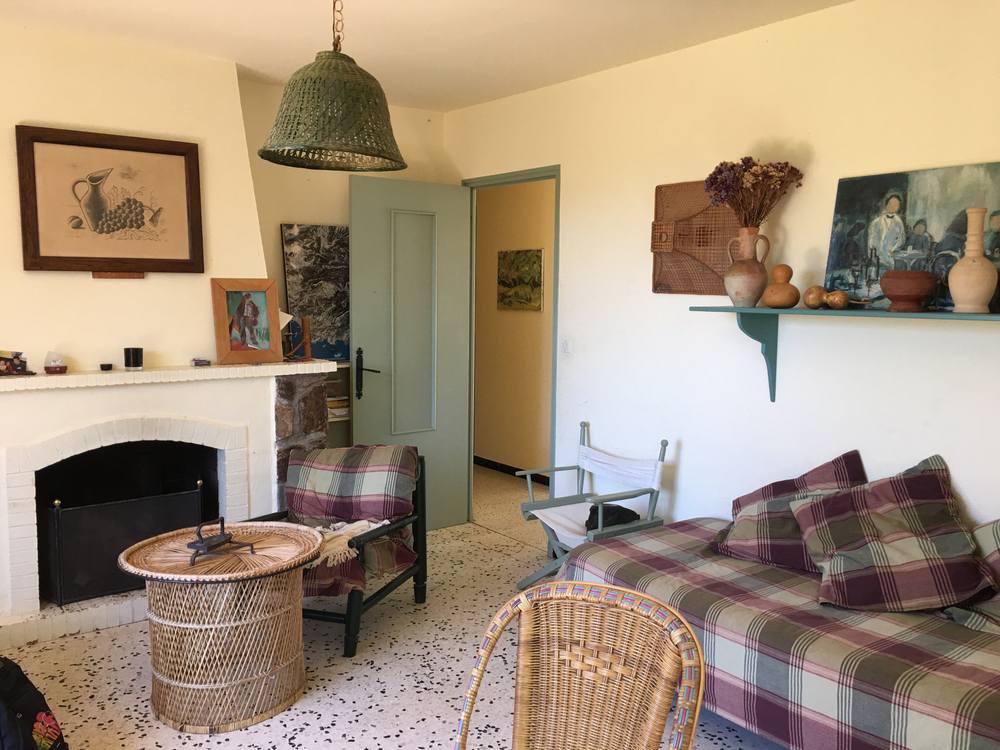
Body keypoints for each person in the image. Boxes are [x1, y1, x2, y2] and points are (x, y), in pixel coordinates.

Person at [868, 193, 907, 273]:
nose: (893, 206)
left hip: (891, 257)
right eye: (891, 203)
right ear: (886, 204)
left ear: (899, 207)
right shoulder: (876, 222)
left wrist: (893, 249)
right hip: (877, 257)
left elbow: (901, 239)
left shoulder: (899, 222)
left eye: (896, 205)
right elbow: (871, 241)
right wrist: (873, 255)